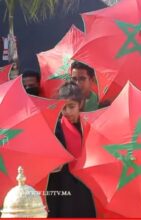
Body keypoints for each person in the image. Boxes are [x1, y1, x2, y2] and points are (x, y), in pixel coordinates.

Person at [46, 81, 96, 218]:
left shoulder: (89, 127)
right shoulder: (55, 130)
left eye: (72, 107)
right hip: (60, 188)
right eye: (64, 108)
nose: (67, 112)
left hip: (83, 188)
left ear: (80, 104)